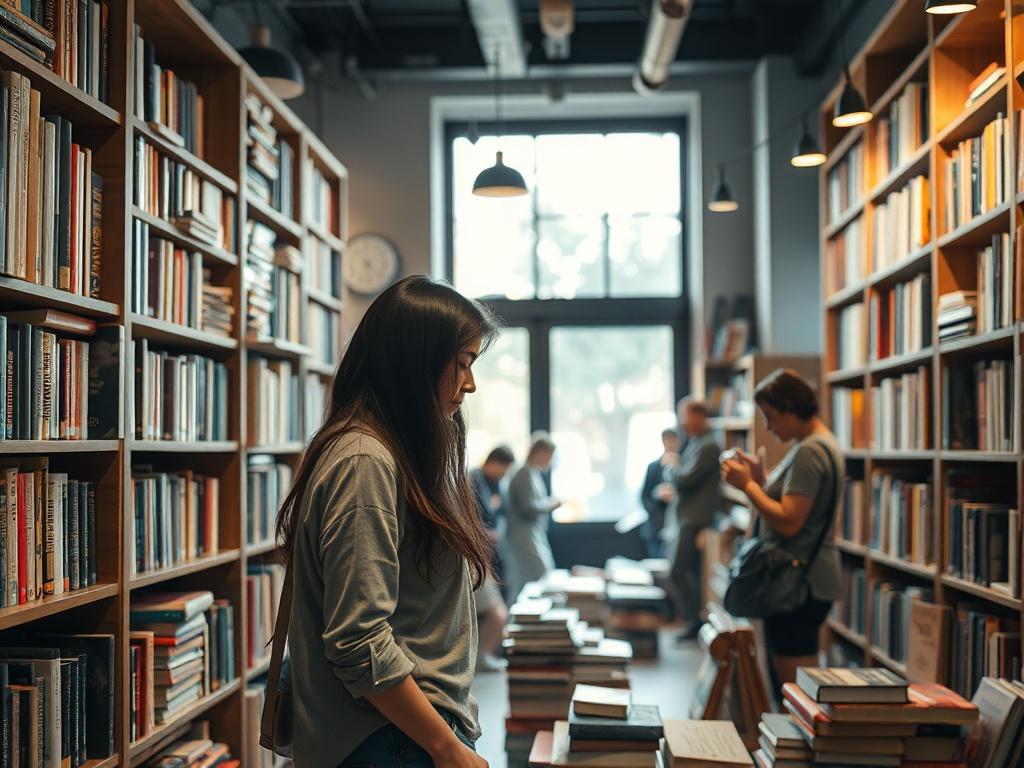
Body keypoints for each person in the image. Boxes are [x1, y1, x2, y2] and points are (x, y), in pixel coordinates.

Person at [276, 276, 493, 768]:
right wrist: (446, 748)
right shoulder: (366, 462)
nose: (470, 383)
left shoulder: (385, 453)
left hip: (401, 734)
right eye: (461, 363)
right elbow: (358, 639)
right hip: (392, 741)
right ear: (415, 361)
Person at [720, 368, 843, 689]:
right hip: (808, 577)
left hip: (798, 582)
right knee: (795, 678)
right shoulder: (821, 444)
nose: (768, 426)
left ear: (791, 408)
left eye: (770, 416)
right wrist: (763, 482)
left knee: (793, 687)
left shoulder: (808, 452)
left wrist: (747, 486)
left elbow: (789, 521)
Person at [664, 398, 722, 642]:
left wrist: (672, 464)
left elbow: (686, 479)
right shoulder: (697, 442)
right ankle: (694, 620)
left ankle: (694, 621)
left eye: (685, 416)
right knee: (685, 571)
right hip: (686, 517)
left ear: (699, 416)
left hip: (693, 519)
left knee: (677, 571)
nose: (682, 423)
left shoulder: (708, 446)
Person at [470, 445, 515, 672]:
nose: (504, 474)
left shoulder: (495, 484)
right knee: (497, 613)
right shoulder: (473, 479)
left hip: (488, 553)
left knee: (497, 611)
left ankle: (484, 654)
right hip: (475, 556)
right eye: (504, 469)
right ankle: (483, 655)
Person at [505, 433, 561, 601]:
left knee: (533, 577)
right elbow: (527, 507)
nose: (550, 461)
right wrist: (550, 505)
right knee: (536, 576)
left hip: (531, 534)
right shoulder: (524, 473)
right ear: (540, 453)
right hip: (523, 536)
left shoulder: (532, 473)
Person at [639, 428, 681, 558]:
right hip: (656, 527)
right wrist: (657, 494)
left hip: (678, 527)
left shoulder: (684, 466)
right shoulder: (653, 467)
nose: (670, 444)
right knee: (657, 565)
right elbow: (644, 496)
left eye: (673, 441)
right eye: (667, 441)